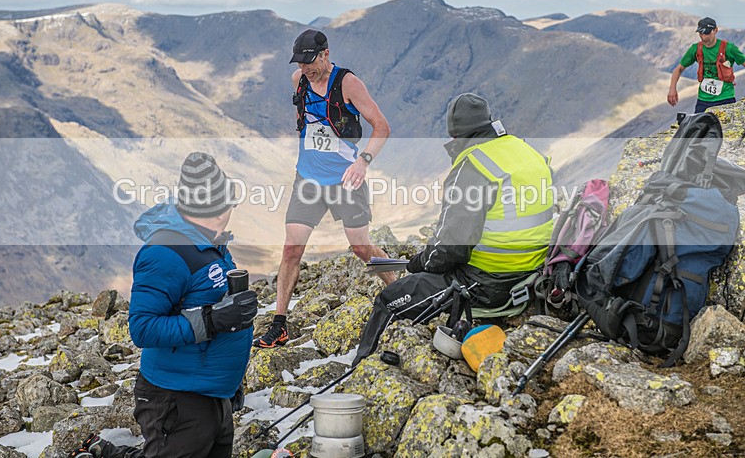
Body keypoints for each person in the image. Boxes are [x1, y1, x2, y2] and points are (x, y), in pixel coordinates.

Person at [69, 152, 258, 458]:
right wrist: (213, 320)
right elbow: (142, 328)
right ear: (218, 208)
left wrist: (229, 381)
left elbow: (205, 304)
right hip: (177, 399)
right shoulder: (166, 253)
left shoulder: (208, 241)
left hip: (212, 396)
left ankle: (102, 452)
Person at [352, 93, 554, 365]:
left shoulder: (474, 166)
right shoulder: (526, 151)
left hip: (489, 283)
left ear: (456, 135)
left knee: (390, 299)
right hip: (534, 276)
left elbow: (450, 250)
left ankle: (358, 370)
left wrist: (419, 263)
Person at [252, 29, 396, 349]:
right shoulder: (298, 80)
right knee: (292, 248)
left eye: (311, 62)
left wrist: (363, 162)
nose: (306, 68)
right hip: (308, 181)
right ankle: (279, 324)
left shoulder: (348, 84)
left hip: (346, 181)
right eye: (301, 63)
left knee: (361, 249)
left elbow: (382, 125)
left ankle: (400, 291)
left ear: (326, 54)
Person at [667, 17, 745, 113]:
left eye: (707, 33)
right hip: (703, 101)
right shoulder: (696, 48)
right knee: (698, 127)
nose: (704, 37)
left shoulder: (729, 48)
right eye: (701, 33)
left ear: (715, 30)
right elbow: (678, 69)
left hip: (725, 99)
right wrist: (672, 89)